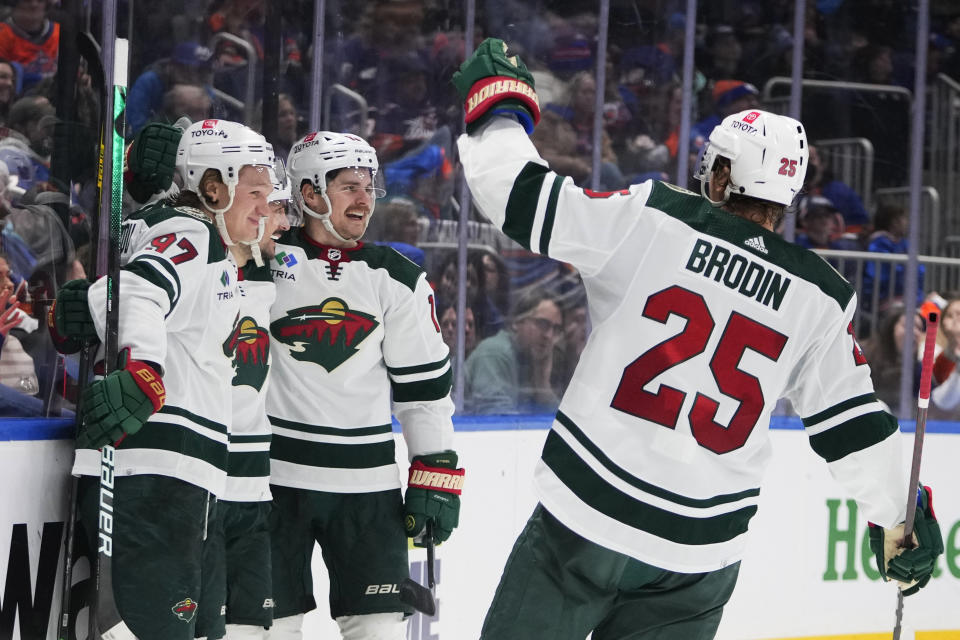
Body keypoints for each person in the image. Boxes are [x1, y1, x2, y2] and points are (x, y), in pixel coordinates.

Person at [453, 38, 943, 639]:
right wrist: (899, 514)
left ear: (720, 174)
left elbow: (519, 197)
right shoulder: (820, 296)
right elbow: (854, 429)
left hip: (587, 518)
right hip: (698, 558)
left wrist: (500, 110)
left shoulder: (653, 217)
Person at [48, 118, 275, 640]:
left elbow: (115, 291)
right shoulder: (191, 230)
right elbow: (139, 293)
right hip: (151, 477)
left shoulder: (202, 242)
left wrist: (84, 306)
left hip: (182, 479)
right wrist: (142, 369)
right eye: (256, 192)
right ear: (213, 187)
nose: (265, 208)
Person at [265, 131, 462, 640]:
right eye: (350, 186)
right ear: (309, 194)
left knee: (378, 631)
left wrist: (434, 472)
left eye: (369, 187)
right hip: (271, 482)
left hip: (367, 492)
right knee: (266, 629)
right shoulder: (261, 262)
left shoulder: (396, 277)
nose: (365, 199)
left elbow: (424, 392)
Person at [195, 161, 291, 640]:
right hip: (203, 484)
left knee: (252, 628)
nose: (282, 221)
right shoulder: (198, 273)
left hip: (253, 488)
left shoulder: (272, 278)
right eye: (274, 207)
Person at [463, 287, 563, 415]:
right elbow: (497, 422)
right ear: (517, 322)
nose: (549, 335)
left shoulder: (531, 359)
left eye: (556, 329)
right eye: (542, 324)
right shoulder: (495, 353)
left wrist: (543, 385)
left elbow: (558, 425)